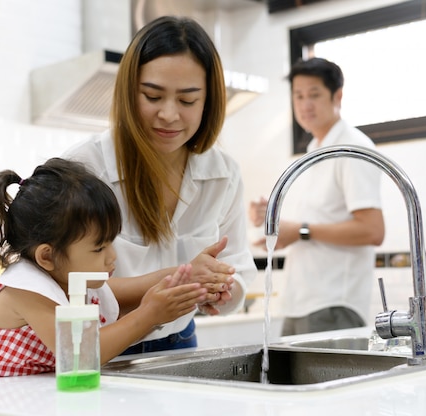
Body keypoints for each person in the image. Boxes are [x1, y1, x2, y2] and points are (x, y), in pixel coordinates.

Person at [63, 16, 257, 353]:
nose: (168, 114)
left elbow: (239, 270)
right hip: (103, 347)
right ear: (128, 91)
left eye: (187, 101)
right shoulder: (86, 168)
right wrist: (183, 278)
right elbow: (71, 285)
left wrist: (221, 292)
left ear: (208, 102)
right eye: (153, 96)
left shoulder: (223, 174)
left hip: (181, 341)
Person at [0, 158, 207, 378]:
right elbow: (79, 357)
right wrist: (149, 314)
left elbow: (130, 290)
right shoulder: (26, 291)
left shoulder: (71, 281)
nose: (112, 257)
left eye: (111, 243)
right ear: (47, 256)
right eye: (99, 248)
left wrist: (188, 275)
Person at [249, 57, 385, 336]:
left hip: (333, 303)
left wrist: (299, 231)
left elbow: (372, 230)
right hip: (300, 301)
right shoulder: (314, 150)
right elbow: (314, 224)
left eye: (314, 95)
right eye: (298, 96)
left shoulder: (352, 147)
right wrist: (274, 221)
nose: (304, 104)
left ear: (338, 96)